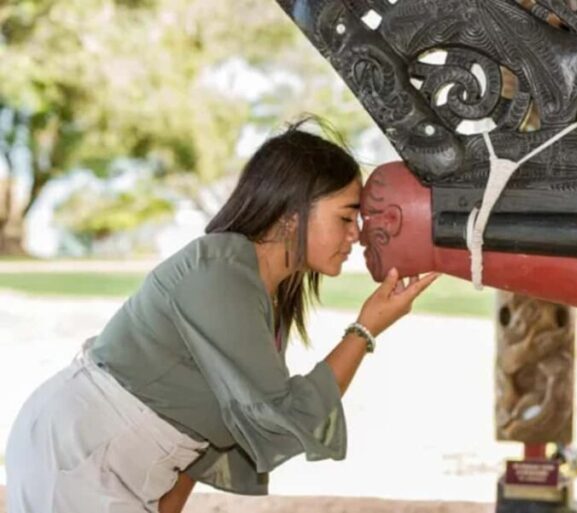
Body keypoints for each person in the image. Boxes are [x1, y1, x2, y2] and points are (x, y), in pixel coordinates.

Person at [5, 120, 440, 513]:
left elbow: (214, 431)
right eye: (346, 216)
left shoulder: (260, 286)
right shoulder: (221, 275)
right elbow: (279, 418)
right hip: (82, 451)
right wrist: (364, 331)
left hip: (114, 458)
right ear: (292, 216)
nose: (356, 234)